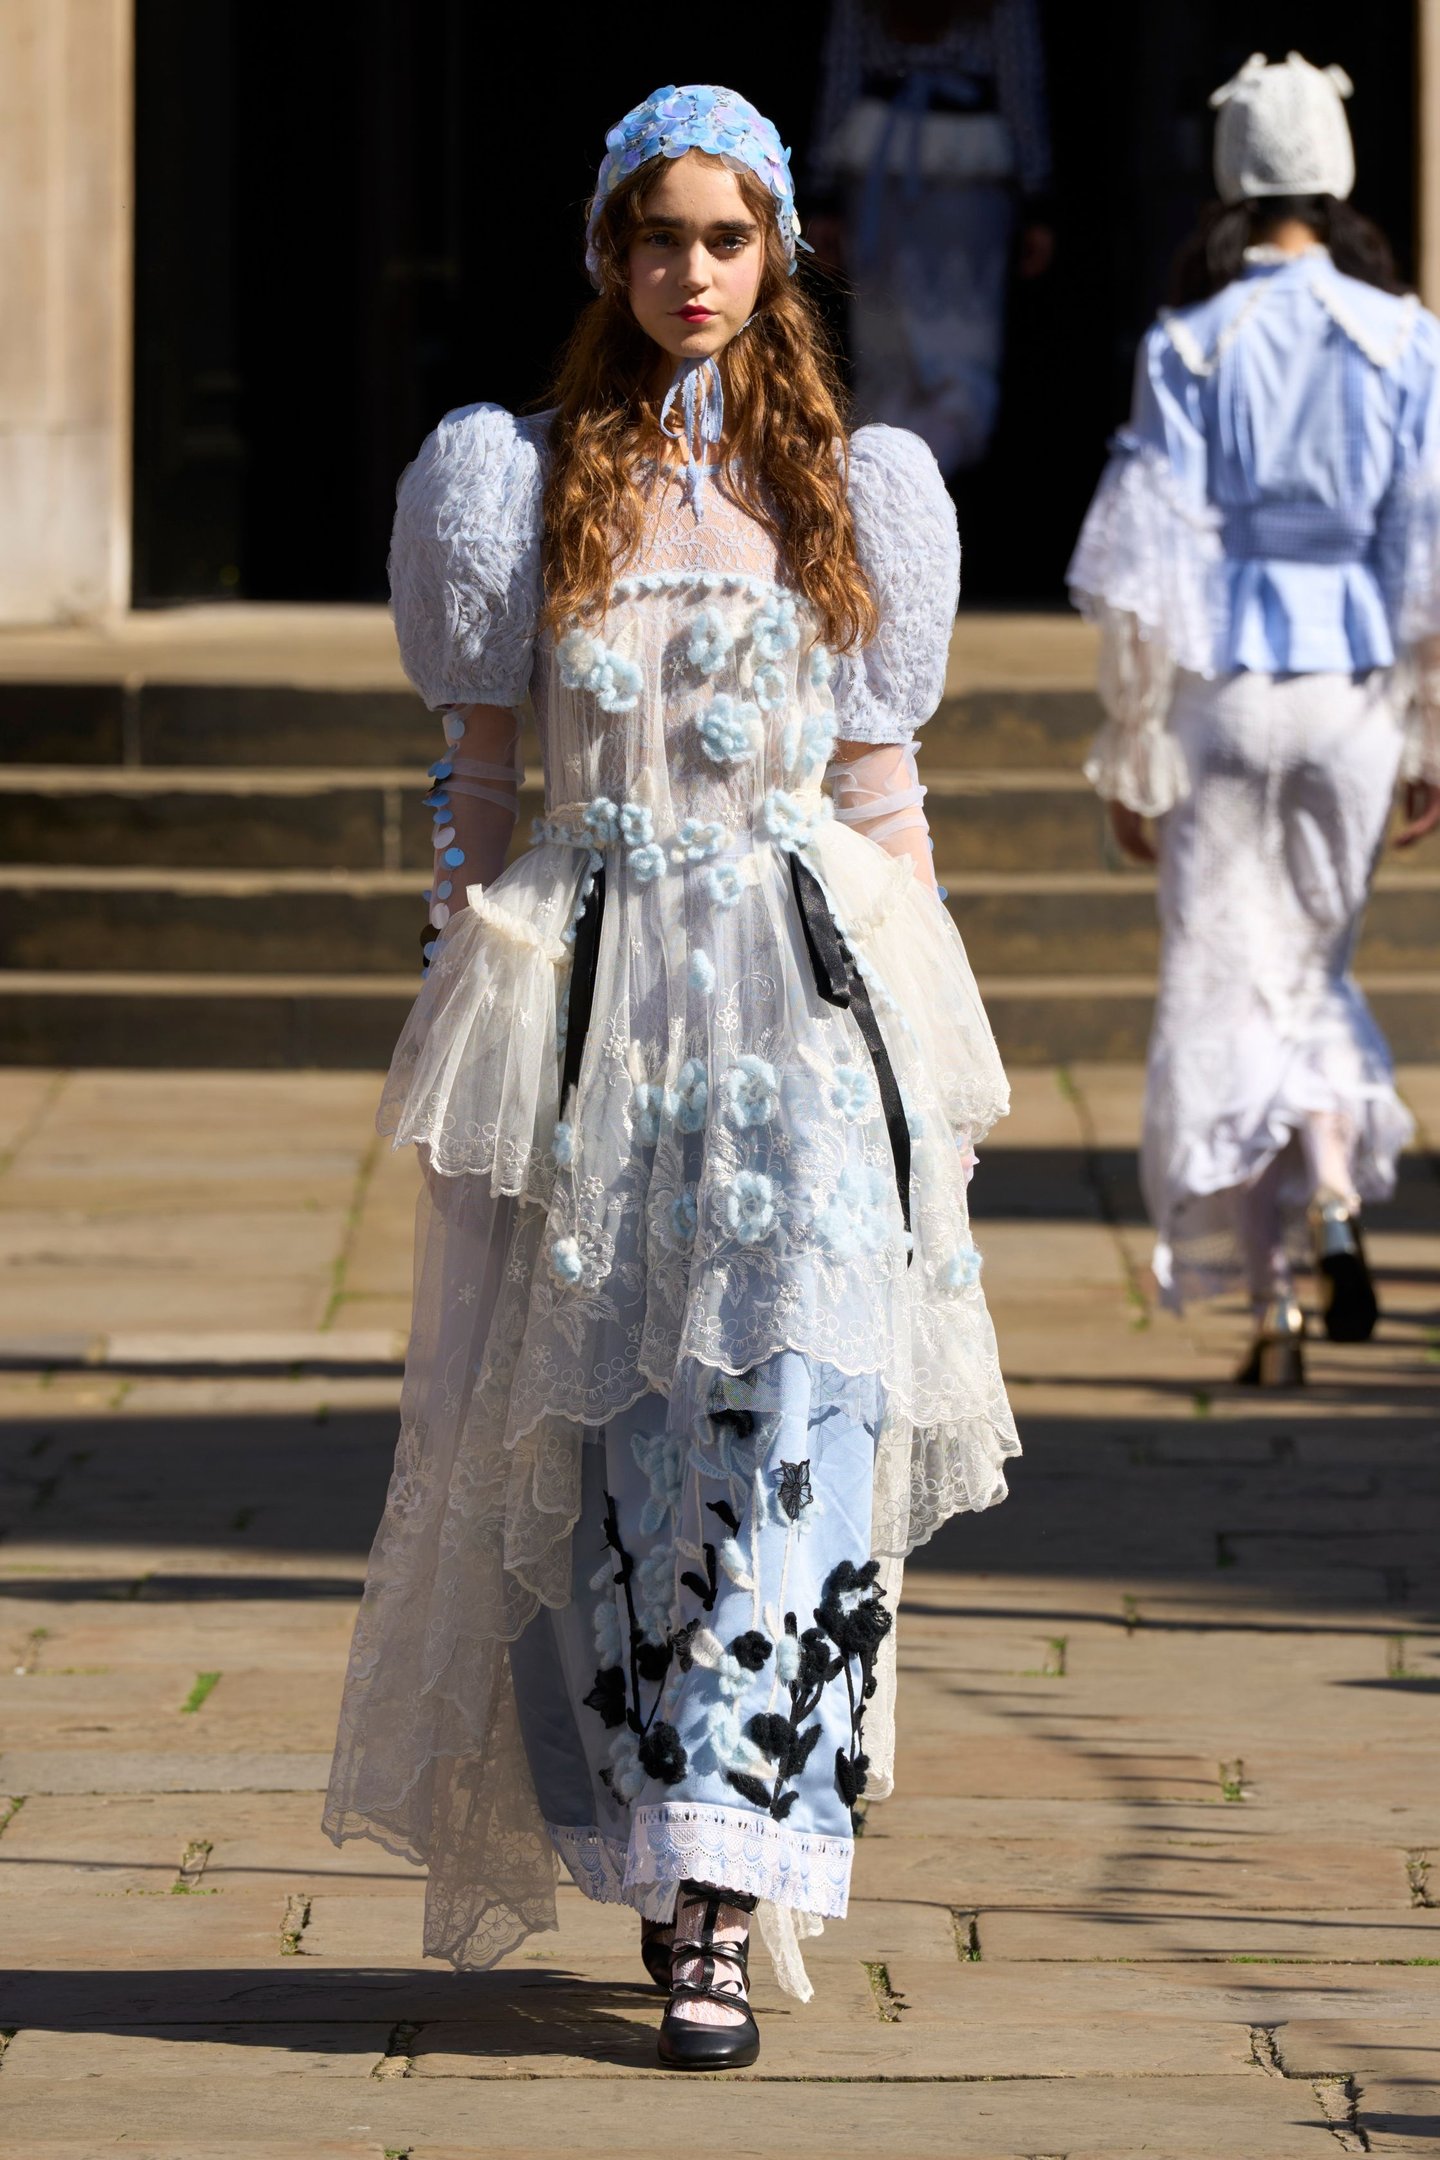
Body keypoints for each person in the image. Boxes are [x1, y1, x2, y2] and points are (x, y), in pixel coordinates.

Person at [324, 84, 1020, 2070]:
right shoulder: (513, 483)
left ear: (775, 249)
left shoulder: (857, 489)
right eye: (655, 240)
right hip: (598, 1011)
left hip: (801, 1017)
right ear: (607, 258)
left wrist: (935, 1063)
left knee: (793, 1424)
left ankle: (728, 1893)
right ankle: (655, 1846)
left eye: (723, 239)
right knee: (613, 1452)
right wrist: (464, 970)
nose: (689, 274)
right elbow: (476, 779)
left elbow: (885, 794)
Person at [1068, 52, 1440, 1386]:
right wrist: (1429, 728)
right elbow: (1427, 544)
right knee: (1309, 972)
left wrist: (1133, 739)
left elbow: (1146, 564)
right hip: (1350, 692)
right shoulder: (1407, 337)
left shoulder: (1188, 342)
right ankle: (1331, 1181)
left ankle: (1275, 1303)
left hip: (1226, 690)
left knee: (1225, 983)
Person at [807, 0, 1053, 480]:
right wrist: (1037, 198)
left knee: (930, 360)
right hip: (909, 174)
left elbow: (838, 84)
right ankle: (884, 494)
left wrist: (823, 194)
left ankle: (901, 490)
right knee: (904, 357)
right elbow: (1023, 87)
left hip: (947, 178)